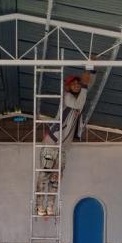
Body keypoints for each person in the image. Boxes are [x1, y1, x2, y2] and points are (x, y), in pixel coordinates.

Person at [35, 68, 96, 217]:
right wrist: (85, 85)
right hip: (53, 142)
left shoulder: (80, 96)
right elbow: (81, 100)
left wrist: (92, 71)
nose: (77, 86)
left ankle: (50, 206)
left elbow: (87, 86)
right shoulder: (67, 97)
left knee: (56, 179)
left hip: (62, 147)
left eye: (78, 84)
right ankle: (39, 205)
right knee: (44, 175)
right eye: (73, 84)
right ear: (67, 86)